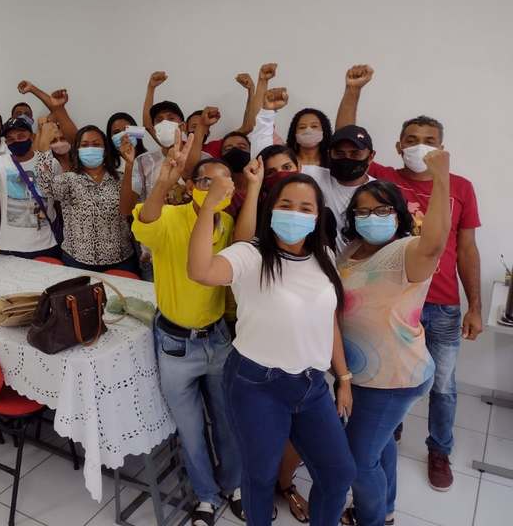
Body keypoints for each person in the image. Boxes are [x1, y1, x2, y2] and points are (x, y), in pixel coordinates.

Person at [336, 66, 482, 491]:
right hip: (390, 303)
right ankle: (388, 432)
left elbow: (466, 249)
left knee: (444, 386)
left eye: (429, 141)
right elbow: (348, 139)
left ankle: (440, 450)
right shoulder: (384, 180)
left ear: (442, 148)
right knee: (390, 388)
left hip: (442, 304)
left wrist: (474, 306)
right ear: (399, 146)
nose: (420, 147)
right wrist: (352, 91)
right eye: (412, 139)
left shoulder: (460, 187)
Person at [188, 167, 356, 526]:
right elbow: (201, 271)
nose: (295, 214)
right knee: (260, 476)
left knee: (338, 472)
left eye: (305, 208)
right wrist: (209, 208)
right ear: (271, 209)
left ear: (318, 216)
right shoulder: (251, 255)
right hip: (257, 384)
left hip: (311, 385)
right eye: (286, 205)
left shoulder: (324, 256)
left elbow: (327, 320)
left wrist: (343, 376)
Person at [131, 134, 242, 526]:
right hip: (176, 344)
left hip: (218, 338)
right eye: (208, 181)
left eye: (225, 181)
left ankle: (234, 485)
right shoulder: (171, 218)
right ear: (193, 185)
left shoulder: (227, 224)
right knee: (191, 430)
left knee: (227, 421)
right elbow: (145, 223)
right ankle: (206, 497)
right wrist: (164, 180)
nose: (217, 188)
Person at [337, 151, 450, 526]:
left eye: (382, 210)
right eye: (363, 211)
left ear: (399, 214)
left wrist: (441, 178)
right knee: (380, 443)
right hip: (361, 375)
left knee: (358, 459)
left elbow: (434, 243)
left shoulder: (406, 252)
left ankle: (370, 519)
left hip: (394, 377)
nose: (372, 217)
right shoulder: (351, 249)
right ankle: (384, 510)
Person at [251, 86, 375, 251]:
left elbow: (346, 133)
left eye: (355, 153)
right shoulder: (308, 174)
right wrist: (267, 113)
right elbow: (262, 156)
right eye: (302, 127)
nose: (347, 158)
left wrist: (353, 90)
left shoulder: (373, 190)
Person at [34, 121, 137, 272]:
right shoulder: (68, 179)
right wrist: (44, 147)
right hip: (77, 261)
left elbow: (128, 210)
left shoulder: (121, 178)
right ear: (77, 150)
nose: (90, 148)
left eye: (96, 144)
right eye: (85, 145)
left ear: (105, 150)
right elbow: (45, 187)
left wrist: (129, 164)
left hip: (121, 260)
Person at [0, 109, 61, 259]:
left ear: (31, 136)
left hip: (47, 244)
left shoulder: (50, 162)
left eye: (21, 136)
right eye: (10, 139)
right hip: (10, 247)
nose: (16, 141)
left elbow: (60, 197)